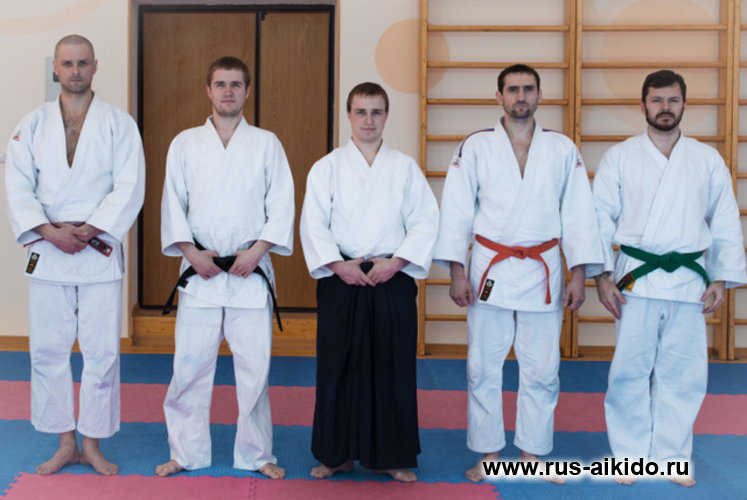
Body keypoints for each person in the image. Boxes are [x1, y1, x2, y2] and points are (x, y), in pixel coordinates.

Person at [433, 64, 603, 483]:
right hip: (489, 267)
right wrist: (456, 272)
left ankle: (532, 453)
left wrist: (578, 274)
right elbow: (456, 212)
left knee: (542, 369)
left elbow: (579, 214)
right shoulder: (475, 146)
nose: (521, 96)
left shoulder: (562, 148)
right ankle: (489, 453)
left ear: (540, 95)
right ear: (499, 96)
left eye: (528, 89)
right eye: (513, 89)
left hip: (543, 271)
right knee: (482, 367)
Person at [591, 70, 746, 487]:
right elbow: (599, 218)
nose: (665, 107)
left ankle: (672, 457)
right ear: (643, 105)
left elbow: (725, 221)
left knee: (684, 373)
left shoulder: (706, 159)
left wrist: (721, 277)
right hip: (635, 280)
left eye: (673, 100)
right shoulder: (620, 156)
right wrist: (602, 274)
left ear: (684, 105)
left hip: (689, 283)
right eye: (657, 100)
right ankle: (629, 457)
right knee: (629, 372)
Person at [4, 34, 145, 476]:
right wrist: (48, 231)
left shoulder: (119, 124)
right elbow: (17, 185)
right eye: (67, 63)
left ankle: (94, 444)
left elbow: (130, 185)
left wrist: (92, 228)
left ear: (95, 65)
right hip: (49, 248)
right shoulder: (31, 124)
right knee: (48, 349)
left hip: (97, 247)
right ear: (55, 68)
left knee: (102, 351)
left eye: (83, 62)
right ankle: (65, 442)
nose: (75, 70)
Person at [155, 56, 293, 479]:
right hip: (200, 271)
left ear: (247, 91)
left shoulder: (266, 143)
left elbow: (282, 203)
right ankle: (185, 452)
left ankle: (256, 454)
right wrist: (192, 253)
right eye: (220, 84)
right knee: (188, 368)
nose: (228, 91)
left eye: (236, 84)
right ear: (208, 90)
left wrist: (258, 251)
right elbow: (172, 203)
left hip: (250, 272)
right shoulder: (185, 143)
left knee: (255, 371)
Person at [300, 82, 439, 482]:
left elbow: (425, 220)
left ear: (386, 116)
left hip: (390, 277)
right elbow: (313, 223)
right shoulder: (327, 167)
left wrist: (396, 263)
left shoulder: (404, 167)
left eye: (376, 112)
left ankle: (389, 455)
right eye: (361, 111)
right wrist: (337, 265)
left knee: (392, 368)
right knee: (336, 367)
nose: (368, 120)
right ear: (349, 115)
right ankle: (336, 454)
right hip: (340, 277)